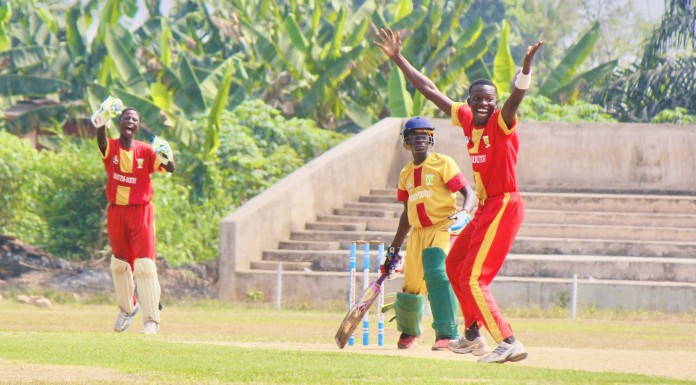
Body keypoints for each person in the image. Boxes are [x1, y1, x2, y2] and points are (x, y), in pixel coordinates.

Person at [375, 27, 543, 363]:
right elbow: (430, 89)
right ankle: (471, 336)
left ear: (494, 105)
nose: (483, 104)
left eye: (488, 100)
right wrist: (398, 59)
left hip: (504, 202)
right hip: (485, 206)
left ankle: (508, 340)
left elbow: (515, 99)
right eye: (477, 99)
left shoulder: (501, 121)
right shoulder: (467, 120)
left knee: (473, 278)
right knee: (453, 266)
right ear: (469, 103)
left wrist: (525, 70)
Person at [383, 116, 477, 351]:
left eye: (424, 136)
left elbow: (470, 194)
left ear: (430, 138)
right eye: (414, 136)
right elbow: (407, 213)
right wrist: (394, 248)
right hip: (417, 233)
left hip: (443, 226)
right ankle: (409, 331)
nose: (419, 140)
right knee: (412, 284)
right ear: (406, 141)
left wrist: (465, 213)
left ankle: (447, 333)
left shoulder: (443, 163)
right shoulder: (405, 174)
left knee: (437, 271)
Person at [91, 97, 175, 335]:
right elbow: (100, 136)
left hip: (141, 212)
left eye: (134, 119)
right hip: (117, 211)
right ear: (120, 122)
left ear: (138, 126)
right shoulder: (111, 148)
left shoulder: (146, 151)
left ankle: (151, 320)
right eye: (126, 117)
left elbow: (169, 168)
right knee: (119, 265)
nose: (130, 121)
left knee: (145, 265)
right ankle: (128, 307)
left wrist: (168, 154)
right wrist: (102, 117)